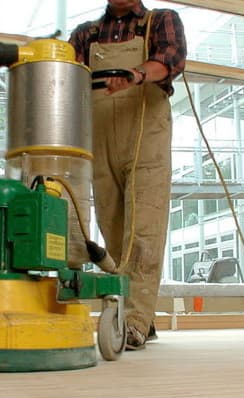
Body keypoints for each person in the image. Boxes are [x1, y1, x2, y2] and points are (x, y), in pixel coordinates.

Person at [66, 0, 186, 350]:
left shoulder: (158, 21)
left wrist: (136, 74)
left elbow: (171, 59)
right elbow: (68, 73)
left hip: (145, 133)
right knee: (114, 229)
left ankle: (134, 322)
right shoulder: (85, 34)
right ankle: (140, 319)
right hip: (99, 135)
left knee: (143, 230)